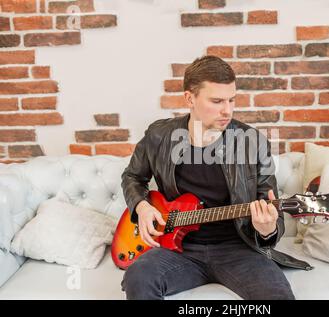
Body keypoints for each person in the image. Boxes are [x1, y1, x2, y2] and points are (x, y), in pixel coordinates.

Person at [120, 55, 311, 300]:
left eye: (232, 100)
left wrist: (267, 229)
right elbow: (132, 176)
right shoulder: (159, 135)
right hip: (178, 249)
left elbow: (269, 203)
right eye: (217, 101)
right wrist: (142, 207)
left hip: (238, 249)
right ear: (190, 98)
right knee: (138, 278)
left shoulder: (251, 142)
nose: (227, 110)